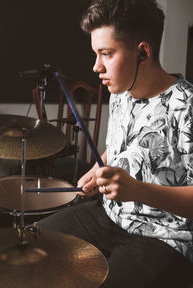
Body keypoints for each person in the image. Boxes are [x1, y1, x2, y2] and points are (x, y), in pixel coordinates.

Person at [38, 0, 193, 287]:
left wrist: (136, 190)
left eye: (106, 54)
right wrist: (100, 168)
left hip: (163, 237)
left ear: (143, 53)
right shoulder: (120, 90)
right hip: (109, 214)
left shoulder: (187, 106)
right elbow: (126, 146)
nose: (96, 66)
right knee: (31, 246)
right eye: (96, 53)